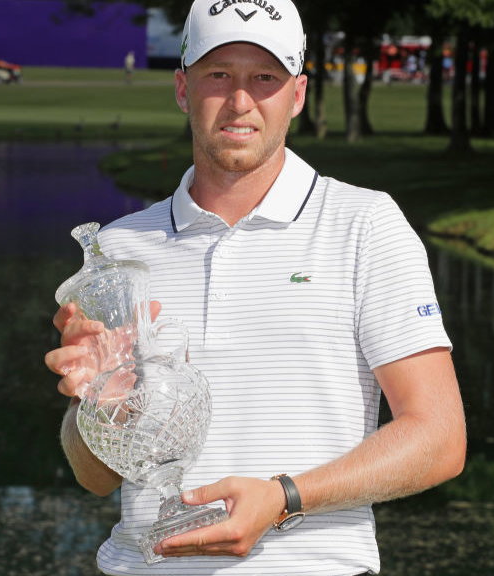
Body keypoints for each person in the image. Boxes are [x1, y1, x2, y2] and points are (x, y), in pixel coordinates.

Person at [45, 0, 466, 574]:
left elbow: (439, 438)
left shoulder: (365, 225)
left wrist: (284, 498)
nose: (240, 101)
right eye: (218, 75)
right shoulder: (120, 250)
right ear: (181, 87)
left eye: (264, 78)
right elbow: (94, 477)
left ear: (297, 93)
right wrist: (94, 405)